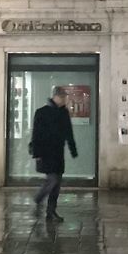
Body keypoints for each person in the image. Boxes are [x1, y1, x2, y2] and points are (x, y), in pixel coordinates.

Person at [29, 86, 77, 222]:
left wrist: (73, 149)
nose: (65, 100)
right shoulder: (42, 113)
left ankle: (51, 212)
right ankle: (38, 200)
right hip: (45, 152)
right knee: (52, 179)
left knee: (57, 184)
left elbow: (69, 132)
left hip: (58, 153)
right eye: (63, 97)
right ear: (56, 97)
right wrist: (36, 153)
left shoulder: (64, 113)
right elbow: (36, 134)